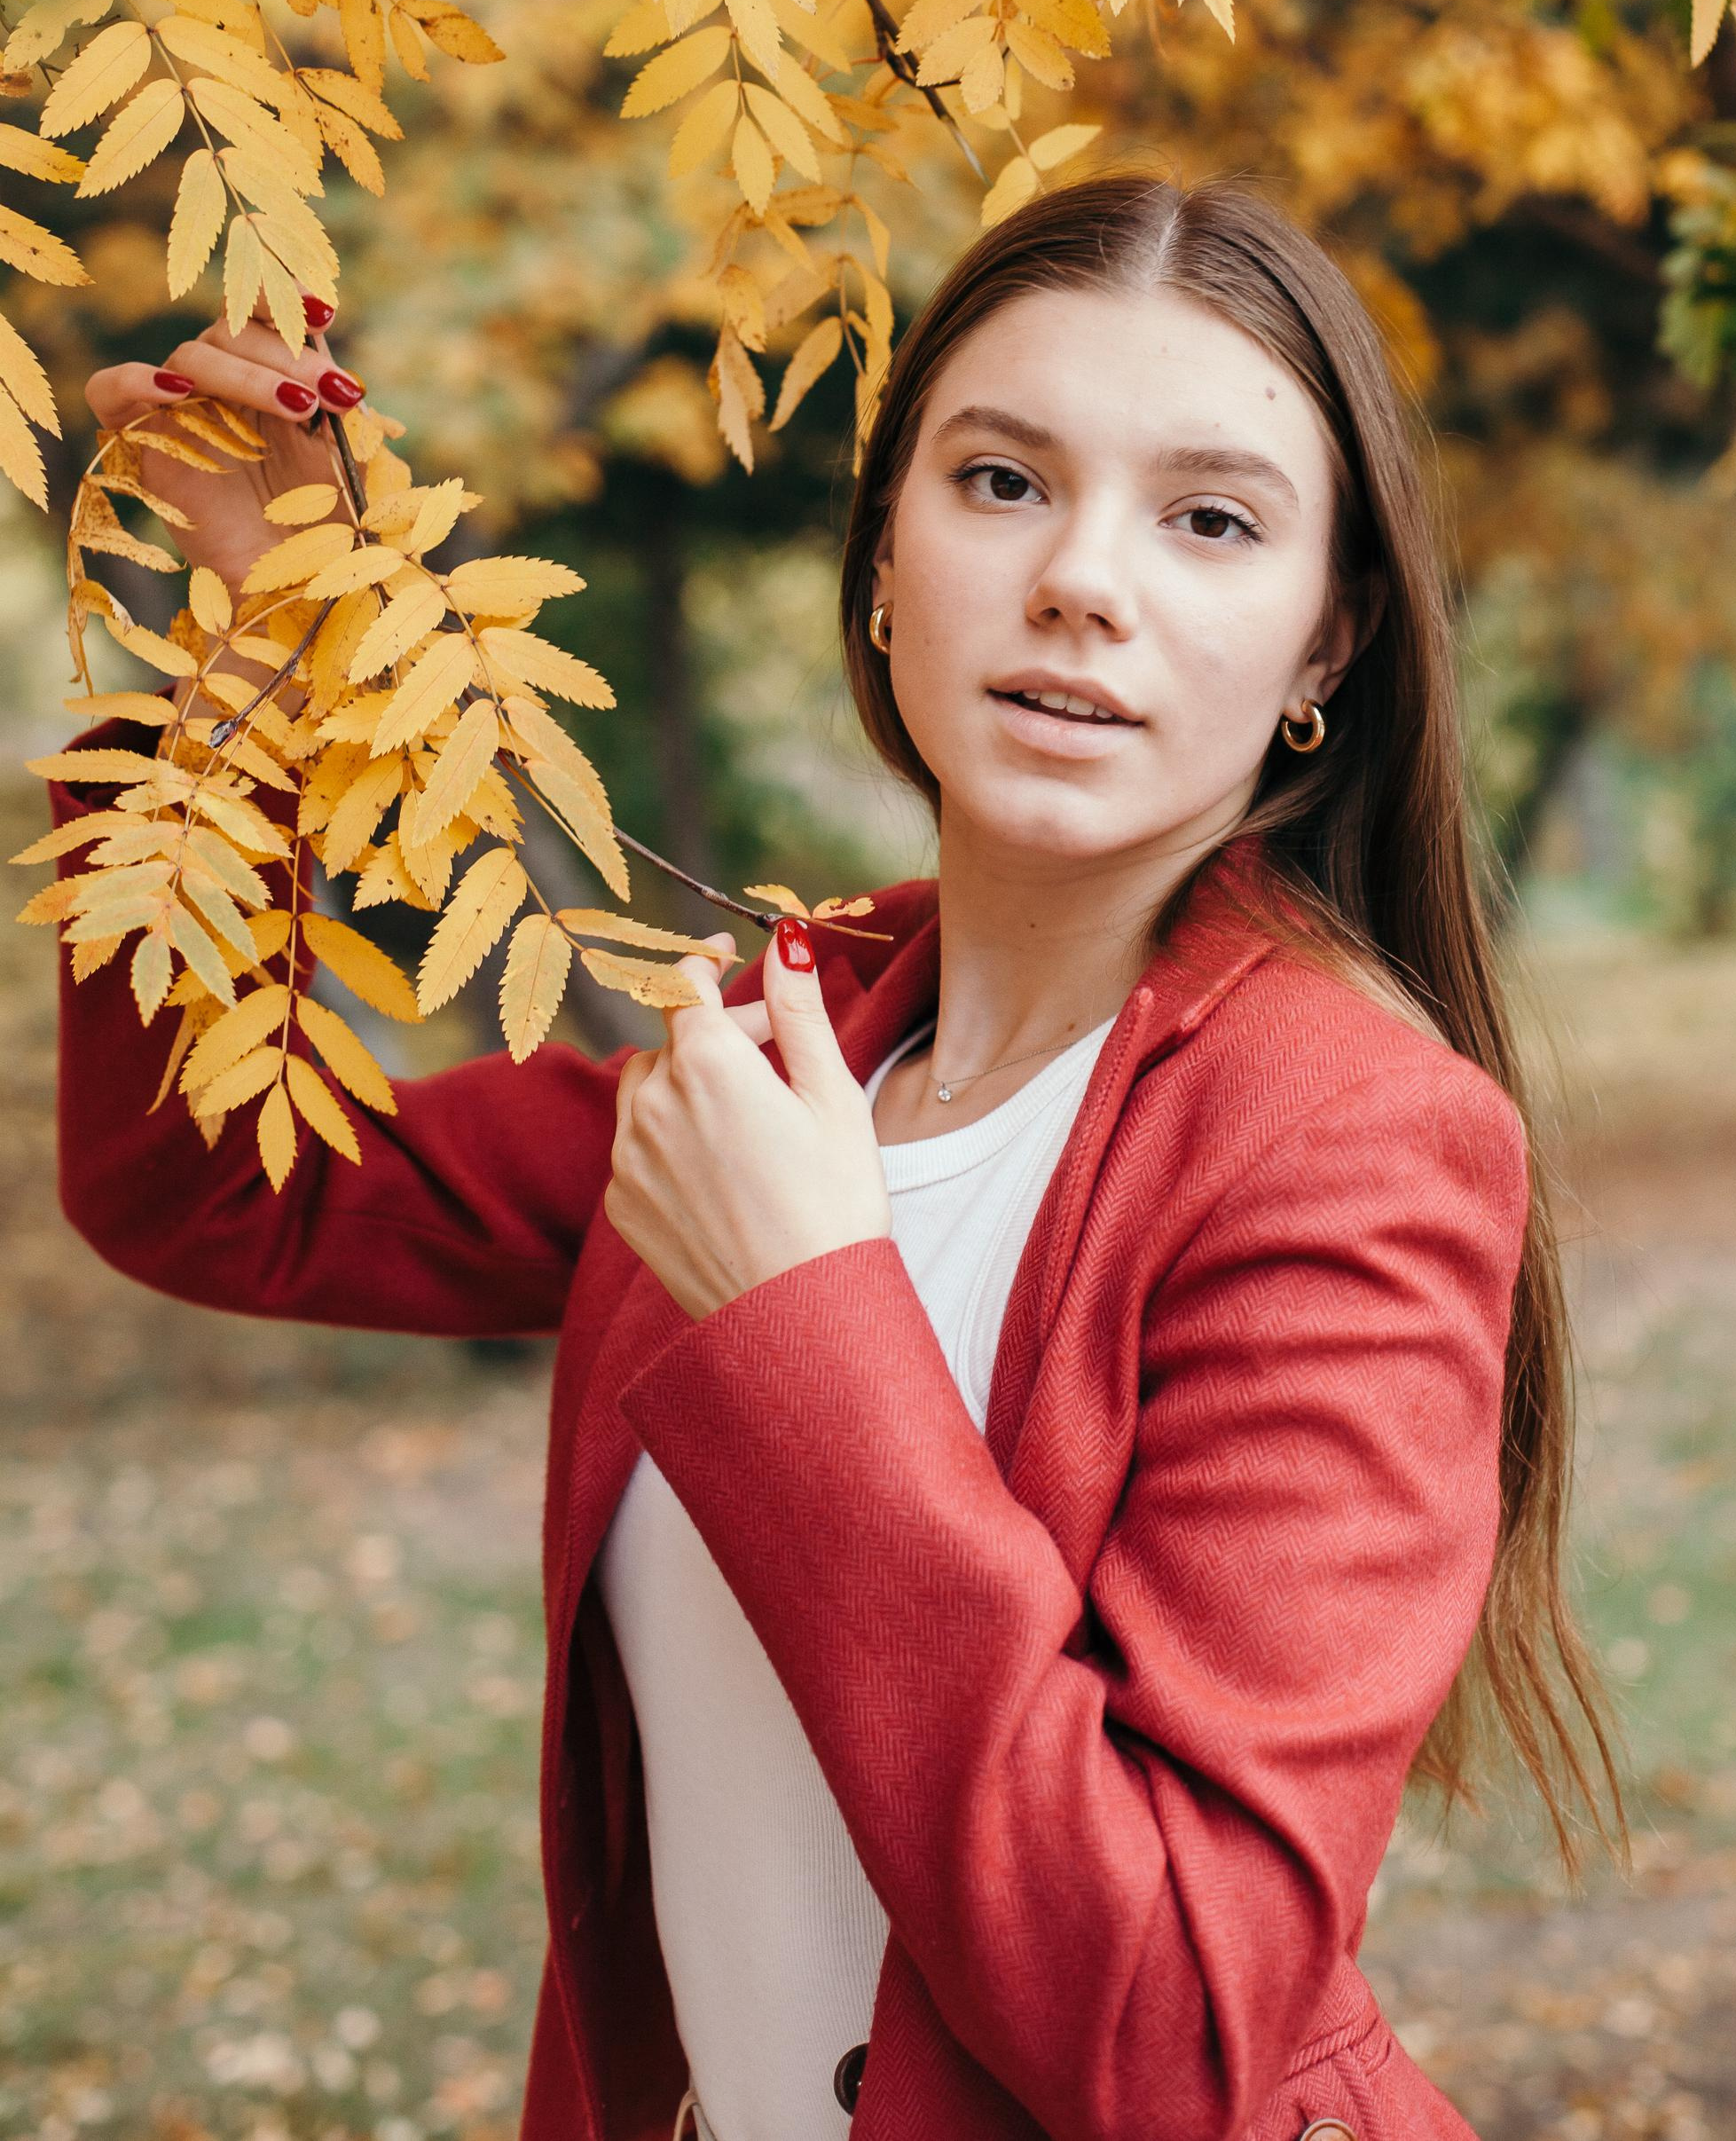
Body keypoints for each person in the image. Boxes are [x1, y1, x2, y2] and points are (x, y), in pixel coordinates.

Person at [51, 173, 1613, 2141]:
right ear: (883, 564)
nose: (1083, 583)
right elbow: (216, 1185)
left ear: (1330, 640)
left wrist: (806, 1325)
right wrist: (248, 678)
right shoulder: (795, 1038)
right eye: (1001, 481)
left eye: (1211, 518)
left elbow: (1172, 2035)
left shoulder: (1348, 1139)